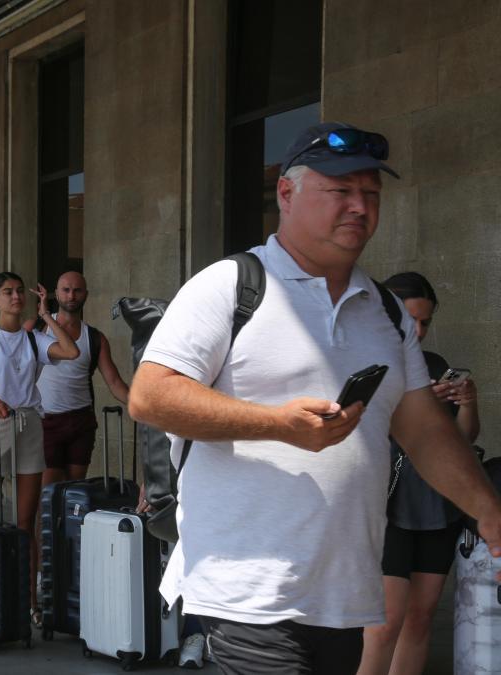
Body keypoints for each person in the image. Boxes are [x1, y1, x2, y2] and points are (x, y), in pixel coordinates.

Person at [127, 122, 501, 674]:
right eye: (340, 191)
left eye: (370, 194)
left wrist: (489, 511)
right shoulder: (230, 285)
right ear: (286, 192)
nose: (358, 206)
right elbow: (151, 396)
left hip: (344, 592)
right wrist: (277, 424)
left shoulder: (386, 311)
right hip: (248, 589)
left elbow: (422, 428)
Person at [358, 272, 482, 675]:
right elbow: (354, 431)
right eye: (410, 319)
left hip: (436, 504)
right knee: (384, 623)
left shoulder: (434, 364)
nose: (418, 330)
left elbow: (460, 442)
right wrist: (419, 404)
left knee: (421, 618)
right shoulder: (364, 359)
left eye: (426, 322)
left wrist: (467, 403)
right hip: (386, 505)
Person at [0, 271, 79, 622]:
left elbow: (71, 351)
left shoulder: (33, 339)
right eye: (7, 292)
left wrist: (46, 316)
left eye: (18, 292)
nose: (15, 297)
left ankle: (29, 603)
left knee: (25, 520)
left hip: (28, 423)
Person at [34, 270, 130, 485]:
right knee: (47, 495)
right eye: (66, 290)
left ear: (86, 294)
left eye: (77, 290)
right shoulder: (38, 328)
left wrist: (140, 405)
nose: (71, 296)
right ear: (56, 294)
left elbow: (114, 382)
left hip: (81, 422)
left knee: (75, 495)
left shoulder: (95, 338)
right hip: (46, 421)